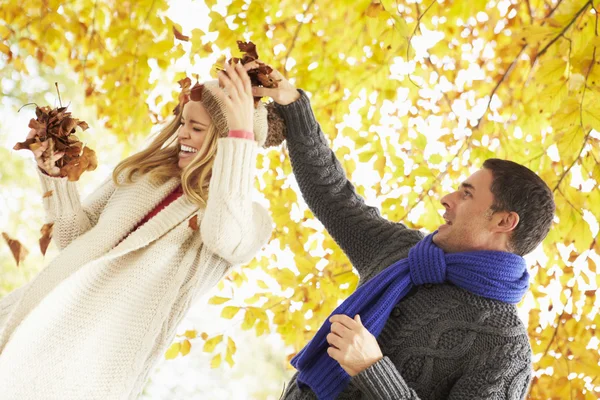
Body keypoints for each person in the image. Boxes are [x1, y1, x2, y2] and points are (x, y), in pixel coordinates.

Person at [249, 62, 555, 400]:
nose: (446, 199)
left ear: (503, 222)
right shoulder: (402, 249)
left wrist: (372, 369)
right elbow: (333, 195)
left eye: (466, 194)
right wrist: (293, 104)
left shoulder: (507, 349)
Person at [0, 62, 274, 399]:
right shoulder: (144, 173)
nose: (183, 133)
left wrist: (241, 135)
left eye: (197, 128)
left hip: (87, 365)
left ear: (226, 138)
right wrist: (55, 176)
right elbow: (71, 240)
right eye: (183, 122)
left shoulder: (249, 218)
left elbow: (225, 236)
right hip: (32, 313)